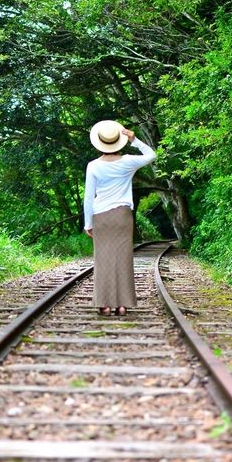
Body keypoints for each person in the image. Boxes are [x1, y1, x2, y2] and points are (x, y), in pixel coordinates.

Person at [83, 120, 156, 316]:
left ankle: (104, 305)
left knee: (103, 259)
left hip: (101, 217)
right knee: (123, 259)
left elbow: (89, 196)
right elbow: (151, 155)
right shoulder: (128, 161)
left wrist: (87, 223)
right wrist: (135, 139)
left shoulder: (93, 166)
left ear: (99, 142)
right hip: (122, 216)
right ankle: (122, 305)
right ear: (118, 141)